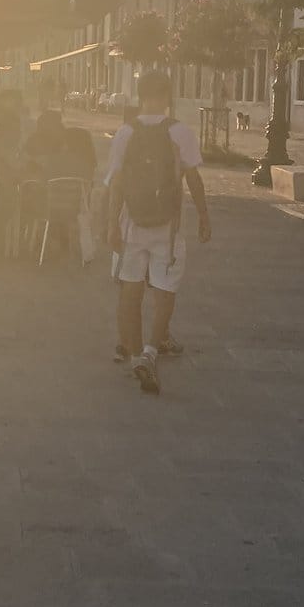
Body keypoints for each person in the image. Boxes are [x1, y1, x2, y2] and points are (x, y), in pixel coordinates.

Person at [104, 67, 211, 395]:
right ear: (166, 97)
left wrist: (111, 224)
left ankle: (135, 354)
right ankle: (152, 350)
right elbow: (193, 177)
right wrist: (204, 216)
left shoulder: (126, 132)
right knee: (165, 290)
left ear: (140, 96)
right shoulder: (180, 132)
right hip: (168, 226)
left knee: (130, 291)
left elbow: (116, 183)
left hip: (131, 223)